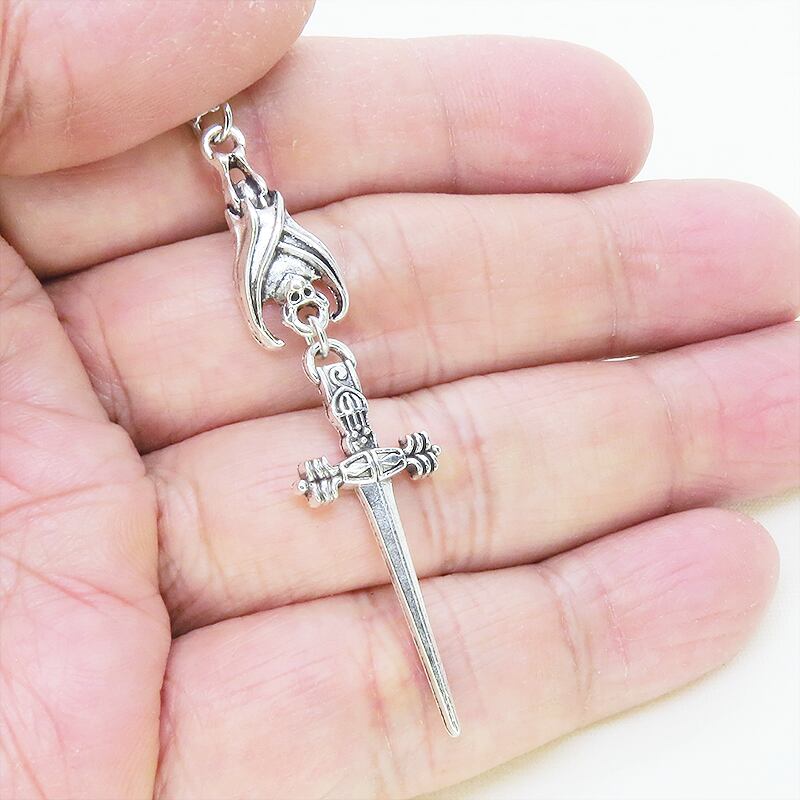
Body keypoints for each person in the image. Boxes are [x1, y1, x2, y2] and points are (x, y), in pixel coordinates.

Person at [0, 2, 797, 798]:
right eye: (293, 304)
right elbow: (353, 462)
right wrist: (342, 475)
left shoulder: (331, 361)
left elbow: (381, 456)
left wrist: (374, 465)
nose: (307, 317)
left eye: (307, 303)